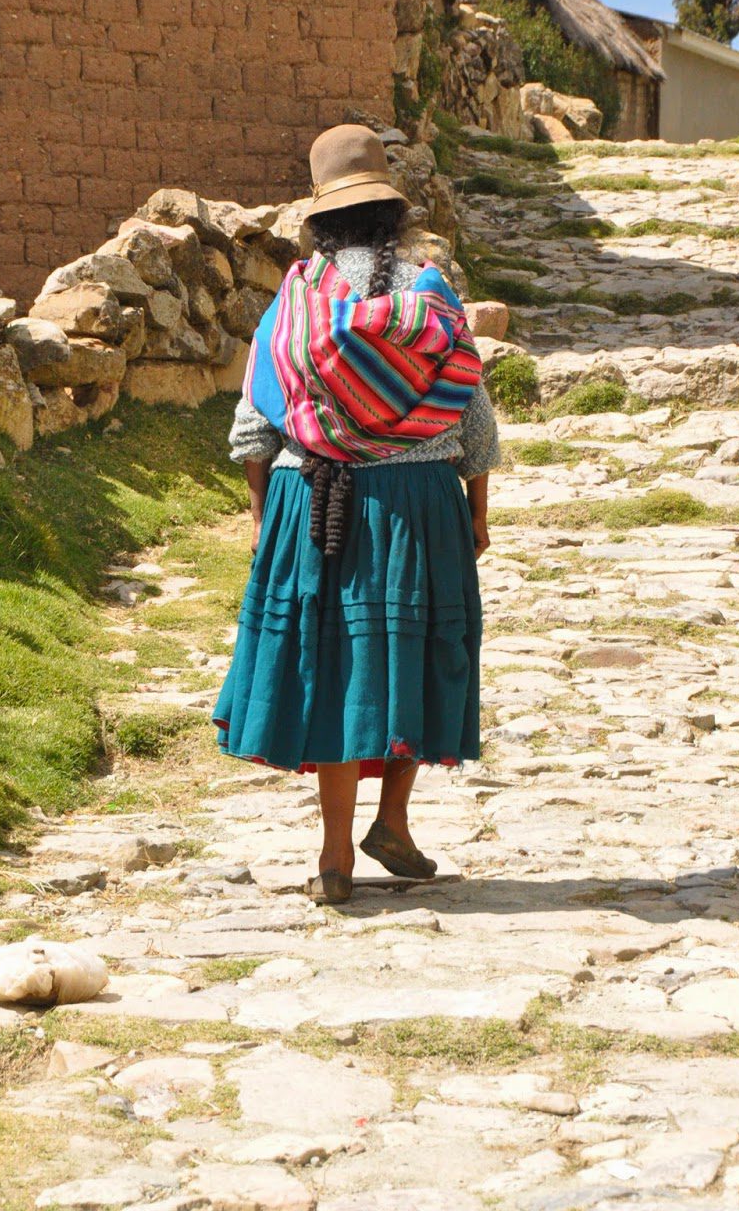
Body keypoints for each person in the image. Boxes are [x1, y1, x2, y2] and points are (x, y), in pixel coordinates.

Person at [212, 124, 499, 904]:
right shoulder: (430, 294)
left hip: (316, 501)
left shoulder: (296, 302)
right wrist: (477, 508)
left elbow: (251, 427)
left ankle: (334, 857)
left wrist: (263, 515)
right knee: (415, 654)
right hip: (419, 506)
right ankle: (393, 822)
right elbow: (472, 418)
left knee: (335, 672)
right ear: (393, 214)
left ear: (320, 220)